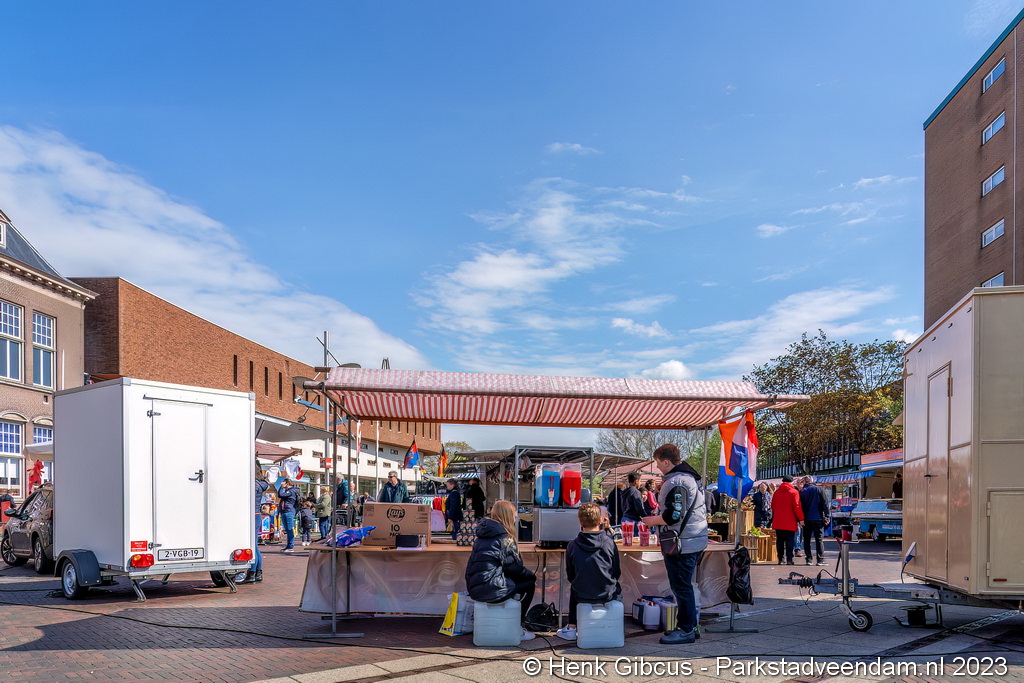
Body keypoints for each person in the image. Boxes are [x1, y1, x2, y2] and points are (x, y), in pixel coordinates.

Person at [641, 443, 708, 646]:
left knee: (682, 587)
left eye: (658, 463)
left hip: (682, 543)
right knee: (684, 586)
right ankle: (689, 626)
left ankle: (686, 630)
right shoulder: (687, 478)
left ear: (666, 462)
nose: (657, 467)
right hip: (690, 539)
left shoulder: (677, 482)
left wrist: (652, 520)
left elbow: (673, 515)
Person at [465, 499, 537, 642]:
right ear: (508, 516)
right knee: (529, 585)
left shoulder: (482, 535)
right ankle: (517, 627)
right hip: (490, 589)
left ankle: (510, 622)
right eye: (514, 515)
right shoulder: (504, 539)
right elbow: (515, 568)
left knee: (517, 582)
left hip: (475, 587)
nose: (516, 518)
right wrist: (531, 576)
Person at [556, 502, 621, 641]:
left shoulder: (572, 545)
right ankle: (613, 624)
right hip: (607, 593)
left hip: (581, 594)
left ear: (580, 522)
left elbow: (571, 574)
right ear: (600, 521)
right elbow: (616, 571)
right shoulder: (609, 543)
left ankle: (572, 627)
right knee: (614, 584)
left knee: (576, 585)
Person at [243, 463, 271, 584]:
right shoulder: (260, 484)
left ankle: (252, 572)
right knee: (254, 545)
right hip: (256, 514)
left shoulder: (253, 485)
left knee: (252, 544)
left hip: (252, 514)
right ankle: (258, 572)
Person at [771, 475, 803, 565]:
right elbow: (797, 507)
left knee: (780, 540)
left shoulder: (777, 492)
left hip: (778, 520)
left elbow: (773, 506)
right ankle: (789, 559)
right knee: (790, 540)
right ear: (791, 482)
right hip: (790, 520)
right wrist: (801, 519)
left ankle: (780, 558)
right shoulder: (794, 492)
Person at [799, 475, 829, 566]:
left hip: (806, 519)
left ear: (804, 481)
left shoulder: (802, 491)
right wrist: (827, 516)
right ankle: (820, 560)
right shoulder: (819, 489)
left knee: (806, 539)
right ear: (812, 481)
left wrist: (800, 519)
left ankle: (809, 559)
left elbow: (799, 505)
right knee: (819, 539)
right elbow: (824, 503)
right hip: (817, 518)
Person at [277, 478, 299, 552]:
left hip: (289, 511)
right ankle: (288, 546)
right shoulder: (288, 491)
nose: (282, 483)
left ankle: (290, 546)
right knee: (287, 529)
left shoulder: (291, 491)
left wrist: (281, 487)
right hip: (285, 511)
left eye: (283, 482)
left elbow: (280, 495)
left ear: (287, 483)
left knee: (289, 529)